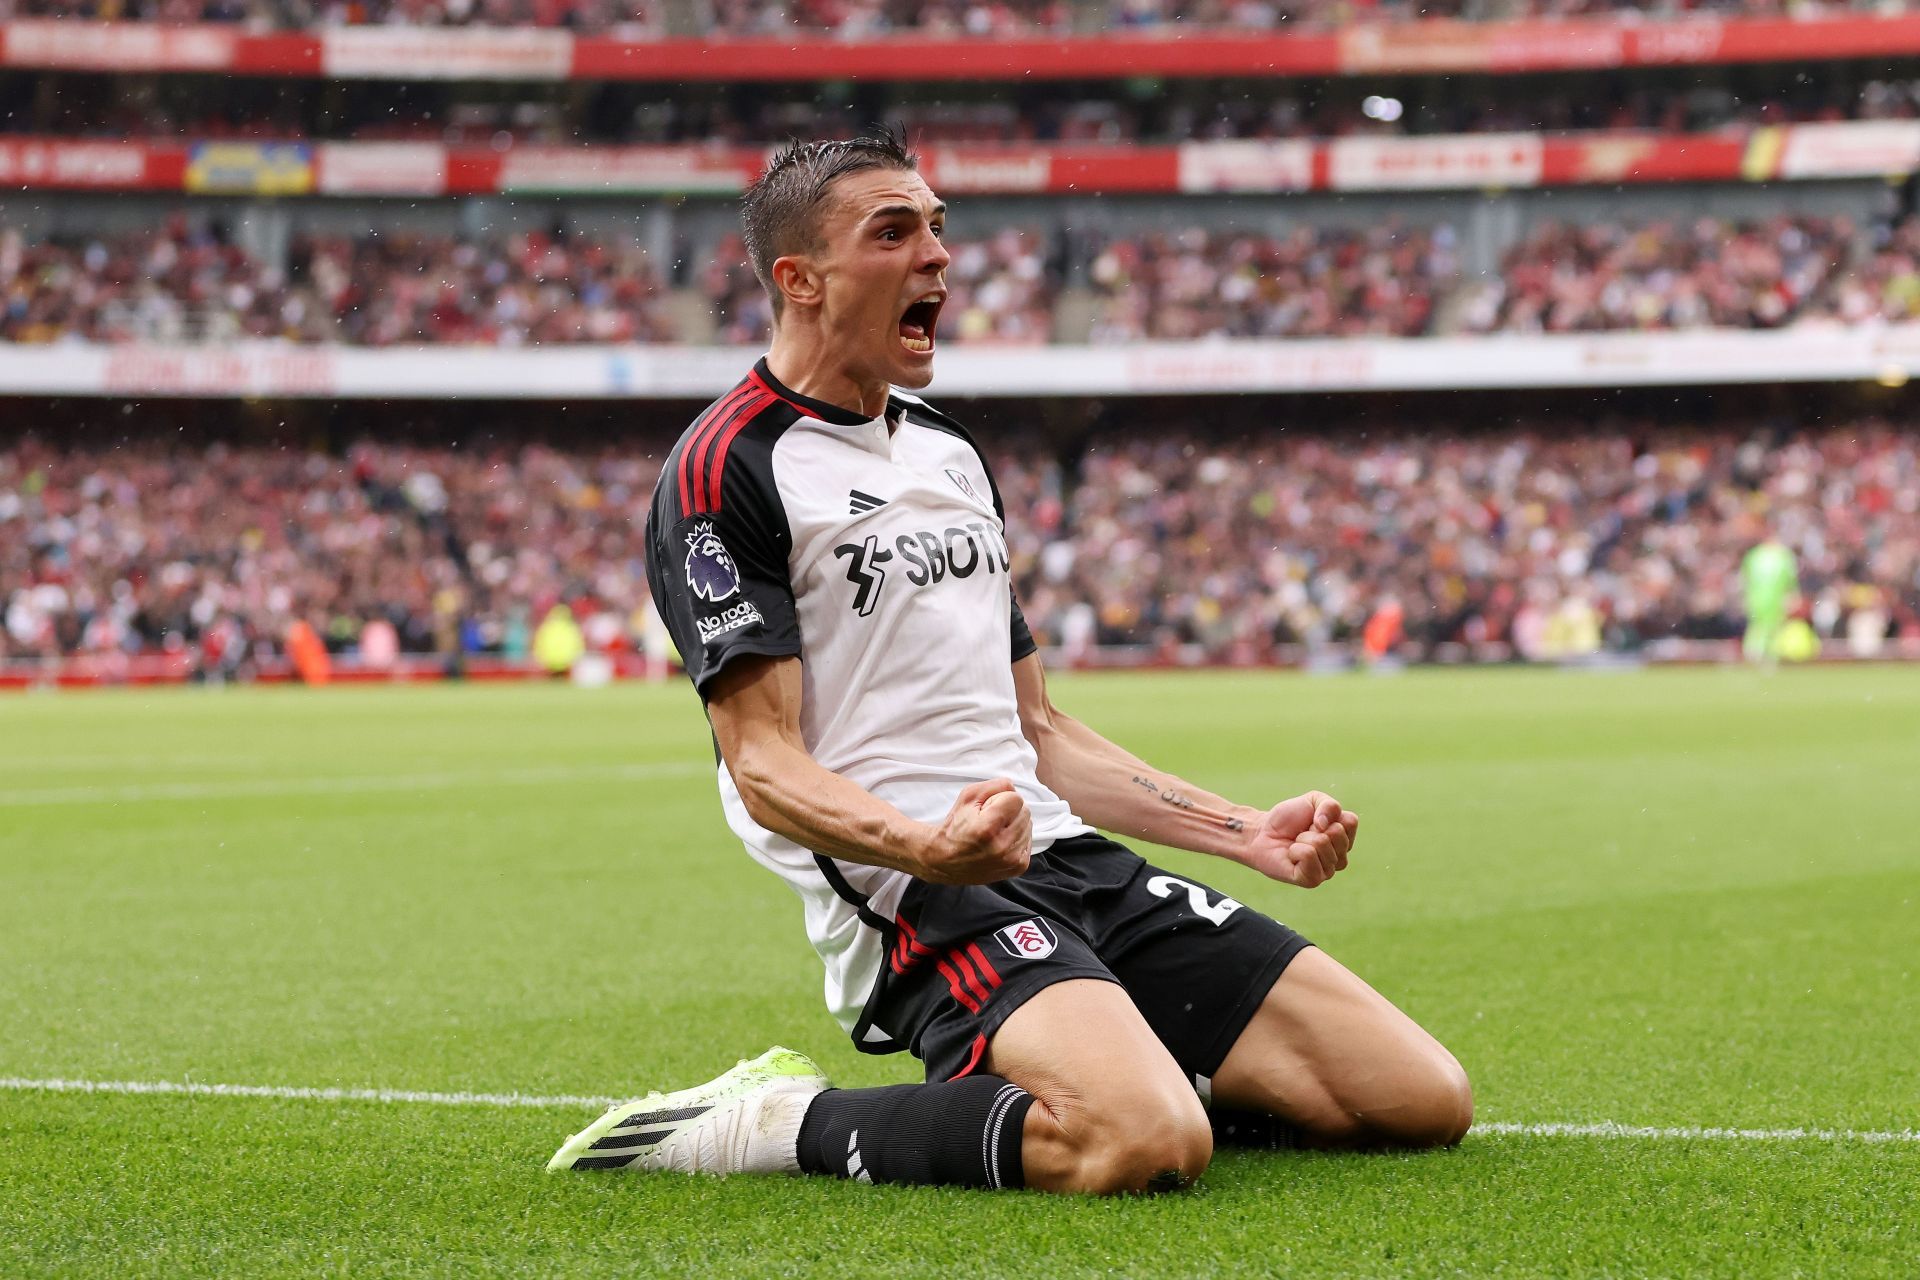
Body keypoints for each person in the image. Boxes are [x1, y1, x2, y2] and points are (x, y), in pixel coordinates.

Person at [548, 129, 1471, 1194]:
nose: (938, 255)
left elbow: (1040, 730)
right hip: (921, 894)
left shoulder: (948, 450)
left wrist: (1242, 830)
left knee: (1415, 1098)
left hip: (1066, 856)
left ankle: (1107, 1050)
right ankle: (783, 1121)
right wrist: (927, 847)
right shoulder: (726, 467)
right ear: (799, 280)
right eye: (894, 232)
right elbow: (761, 761)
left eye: (938, 227)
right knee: (1141, 1142)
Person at [1741, 530, 1799, 664]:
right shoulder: (1783, 555)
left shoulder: (1754, 555)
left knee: (1757, 626)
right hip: (1775, 598)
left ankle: (1753, 653)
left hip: (1756, 597)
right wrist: (1793, 594)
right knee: (1773, 627)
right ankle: (1769, 656)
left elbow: (1745, 578)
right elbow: (1791, 579)